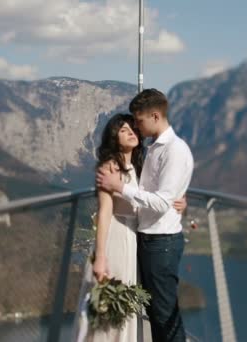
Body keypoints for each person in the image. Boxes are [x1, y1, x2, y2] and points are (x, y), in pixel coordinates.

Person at [96, 89, 194, 342]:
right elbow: (158, 193)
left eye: (138, 121)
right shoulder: (153, 149)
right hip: (144, 239)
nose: (136, 128)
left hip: (160, 243)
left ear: (155, 116)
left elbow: (161, 201)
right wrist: (177, 198)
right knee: (154, 314)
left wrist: (119, 187)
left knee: (163, 317)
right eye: (128, 126)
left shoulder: (174, 150)